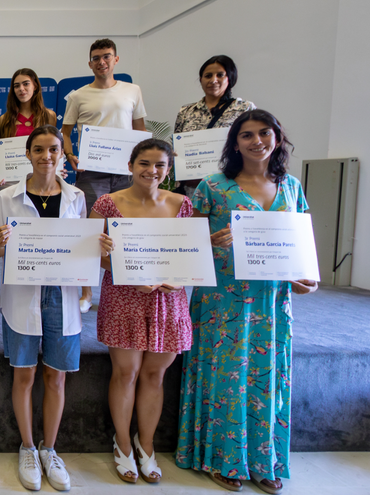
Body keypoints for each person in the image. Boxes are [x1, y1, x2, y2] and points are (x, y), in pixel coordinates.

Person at [176, 110, 318, 494]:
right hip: (224, 298)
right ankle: (224, 459)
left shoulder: (291, 186)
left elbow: (302, 245)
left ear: (277, 137)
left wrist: (309, 281)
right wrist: (209, 240)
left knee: (265, 376)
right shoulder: (212, 186)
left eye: (264, 133)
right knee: (226, 378)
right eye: (247, 135)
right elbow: (185, 243)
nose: (257, 141)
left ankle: (262, 460)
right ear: (234, 143)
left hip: (272, 302)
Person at [0, 125, 107, 492]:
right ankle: (27, 447)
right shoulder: (7, 198)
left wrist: (99, 248)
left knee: (56, 376)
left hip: (63, 296)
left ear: (61, 153)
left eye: (53, 149)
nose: (46, 156)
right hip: (22, 296)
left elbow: (81, 250)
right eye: (38, 150)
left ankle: (49, 449)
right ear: (27, 153)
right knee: (24, 376)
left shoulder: (76, 197)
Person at [89, 139, 193, 484]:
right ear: (131, 165)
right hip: (124, 298)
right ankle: (122, 444)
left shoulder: (182, 204)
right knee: (127, 372)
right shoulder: (108, 203)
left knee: (154, 375)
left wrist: (179, 279)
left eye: (160, 165)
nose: (152, 171)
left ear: (169, 168)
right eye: (145, 163)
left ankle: (145, 445)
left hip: (168, 299)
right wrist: (123, 271)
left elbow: (189, 256)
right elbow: (90, 253)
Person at [61, 38, 147, 314]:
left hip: (125, 174)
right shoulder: (78, 96)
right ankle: (86, 292)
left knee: (127, 231)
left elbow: (140, 130)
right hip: (91, 173)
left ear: (116, 60)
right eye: (96, 58)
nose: (101, 62)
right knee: (91, 232)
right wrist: (71, 155)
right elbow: (65, 132)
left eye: (106, 56)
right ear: (90, 63)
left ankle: (128, 287)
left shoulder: (132, 91)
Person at [174, 55, 256, 197]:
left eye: (220, 75)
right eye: (208, 76)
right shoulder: (186, 111)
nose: (213, 80)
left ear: (230, 78)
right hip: (194, 189)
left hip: (232, 187)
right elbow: (177, 147)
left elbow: (253, 145)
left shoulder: (244, 108)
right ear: (201, 80)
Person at [0, 68, 58, 189]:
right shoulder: (5, 119)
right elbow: (2, 151)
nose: (21, 89)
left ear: (35, 86)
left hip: (41, 178)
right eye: (16, 86)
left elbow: (54, 148)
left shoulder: (49, 116)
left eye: (26, 84)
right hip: (12, 180)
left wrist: (59, 169)